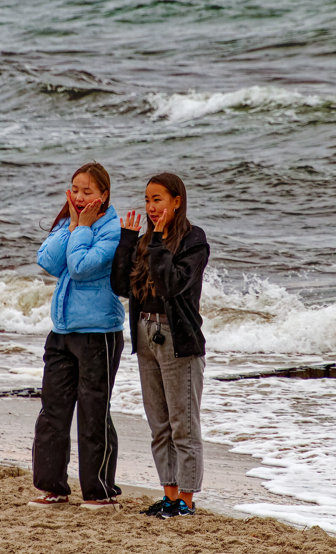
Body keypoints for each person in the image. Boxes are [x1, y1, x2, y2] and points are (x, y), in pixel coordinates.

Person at [111, 172, 210, 519]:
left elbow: (171, 284)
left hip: (178, 339)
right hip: (144, 333)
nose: (152, 207)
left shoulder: (194, 240)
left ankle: (186, 500)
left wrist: (155, 242)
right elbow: (122, 286)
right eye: (148, 200)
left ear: (176, 201)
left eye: (159, 200)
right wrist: (127, 240)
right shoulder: (145, 240)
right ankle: (168, 495)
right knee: (159, 423)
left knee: (183, 423)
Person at [29, 162, 126, 510]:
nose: (80, 197)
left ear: (104, 195)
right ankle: (53, 487)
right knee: (53, 411)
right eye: (76, 189)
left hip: (99, 332)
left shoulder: (112, 229)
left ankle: (99, 491)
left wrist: (82, 228)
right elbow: (49, 261)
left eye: (88, 191)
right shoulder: (71, 223)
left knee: (93, 411)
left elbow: (83, 267)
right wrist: (72, 225)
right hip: (62, 331)